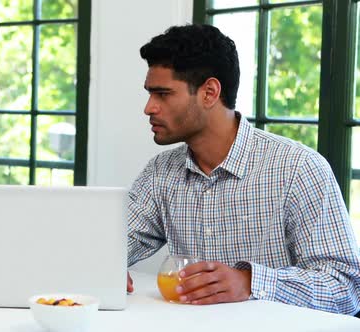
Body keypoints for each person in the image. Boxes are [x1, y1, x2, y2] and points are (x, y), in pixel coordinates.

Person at [126, 24, 360, 315]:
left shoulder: (298, 168)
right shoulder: (161, 172)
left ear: (210, 92)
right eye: (150, 94)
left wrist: (249, 282)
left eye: (163, 94)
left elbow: (345, 288)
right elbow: (116, 242)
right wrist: (96, 268)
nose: (149, 108)